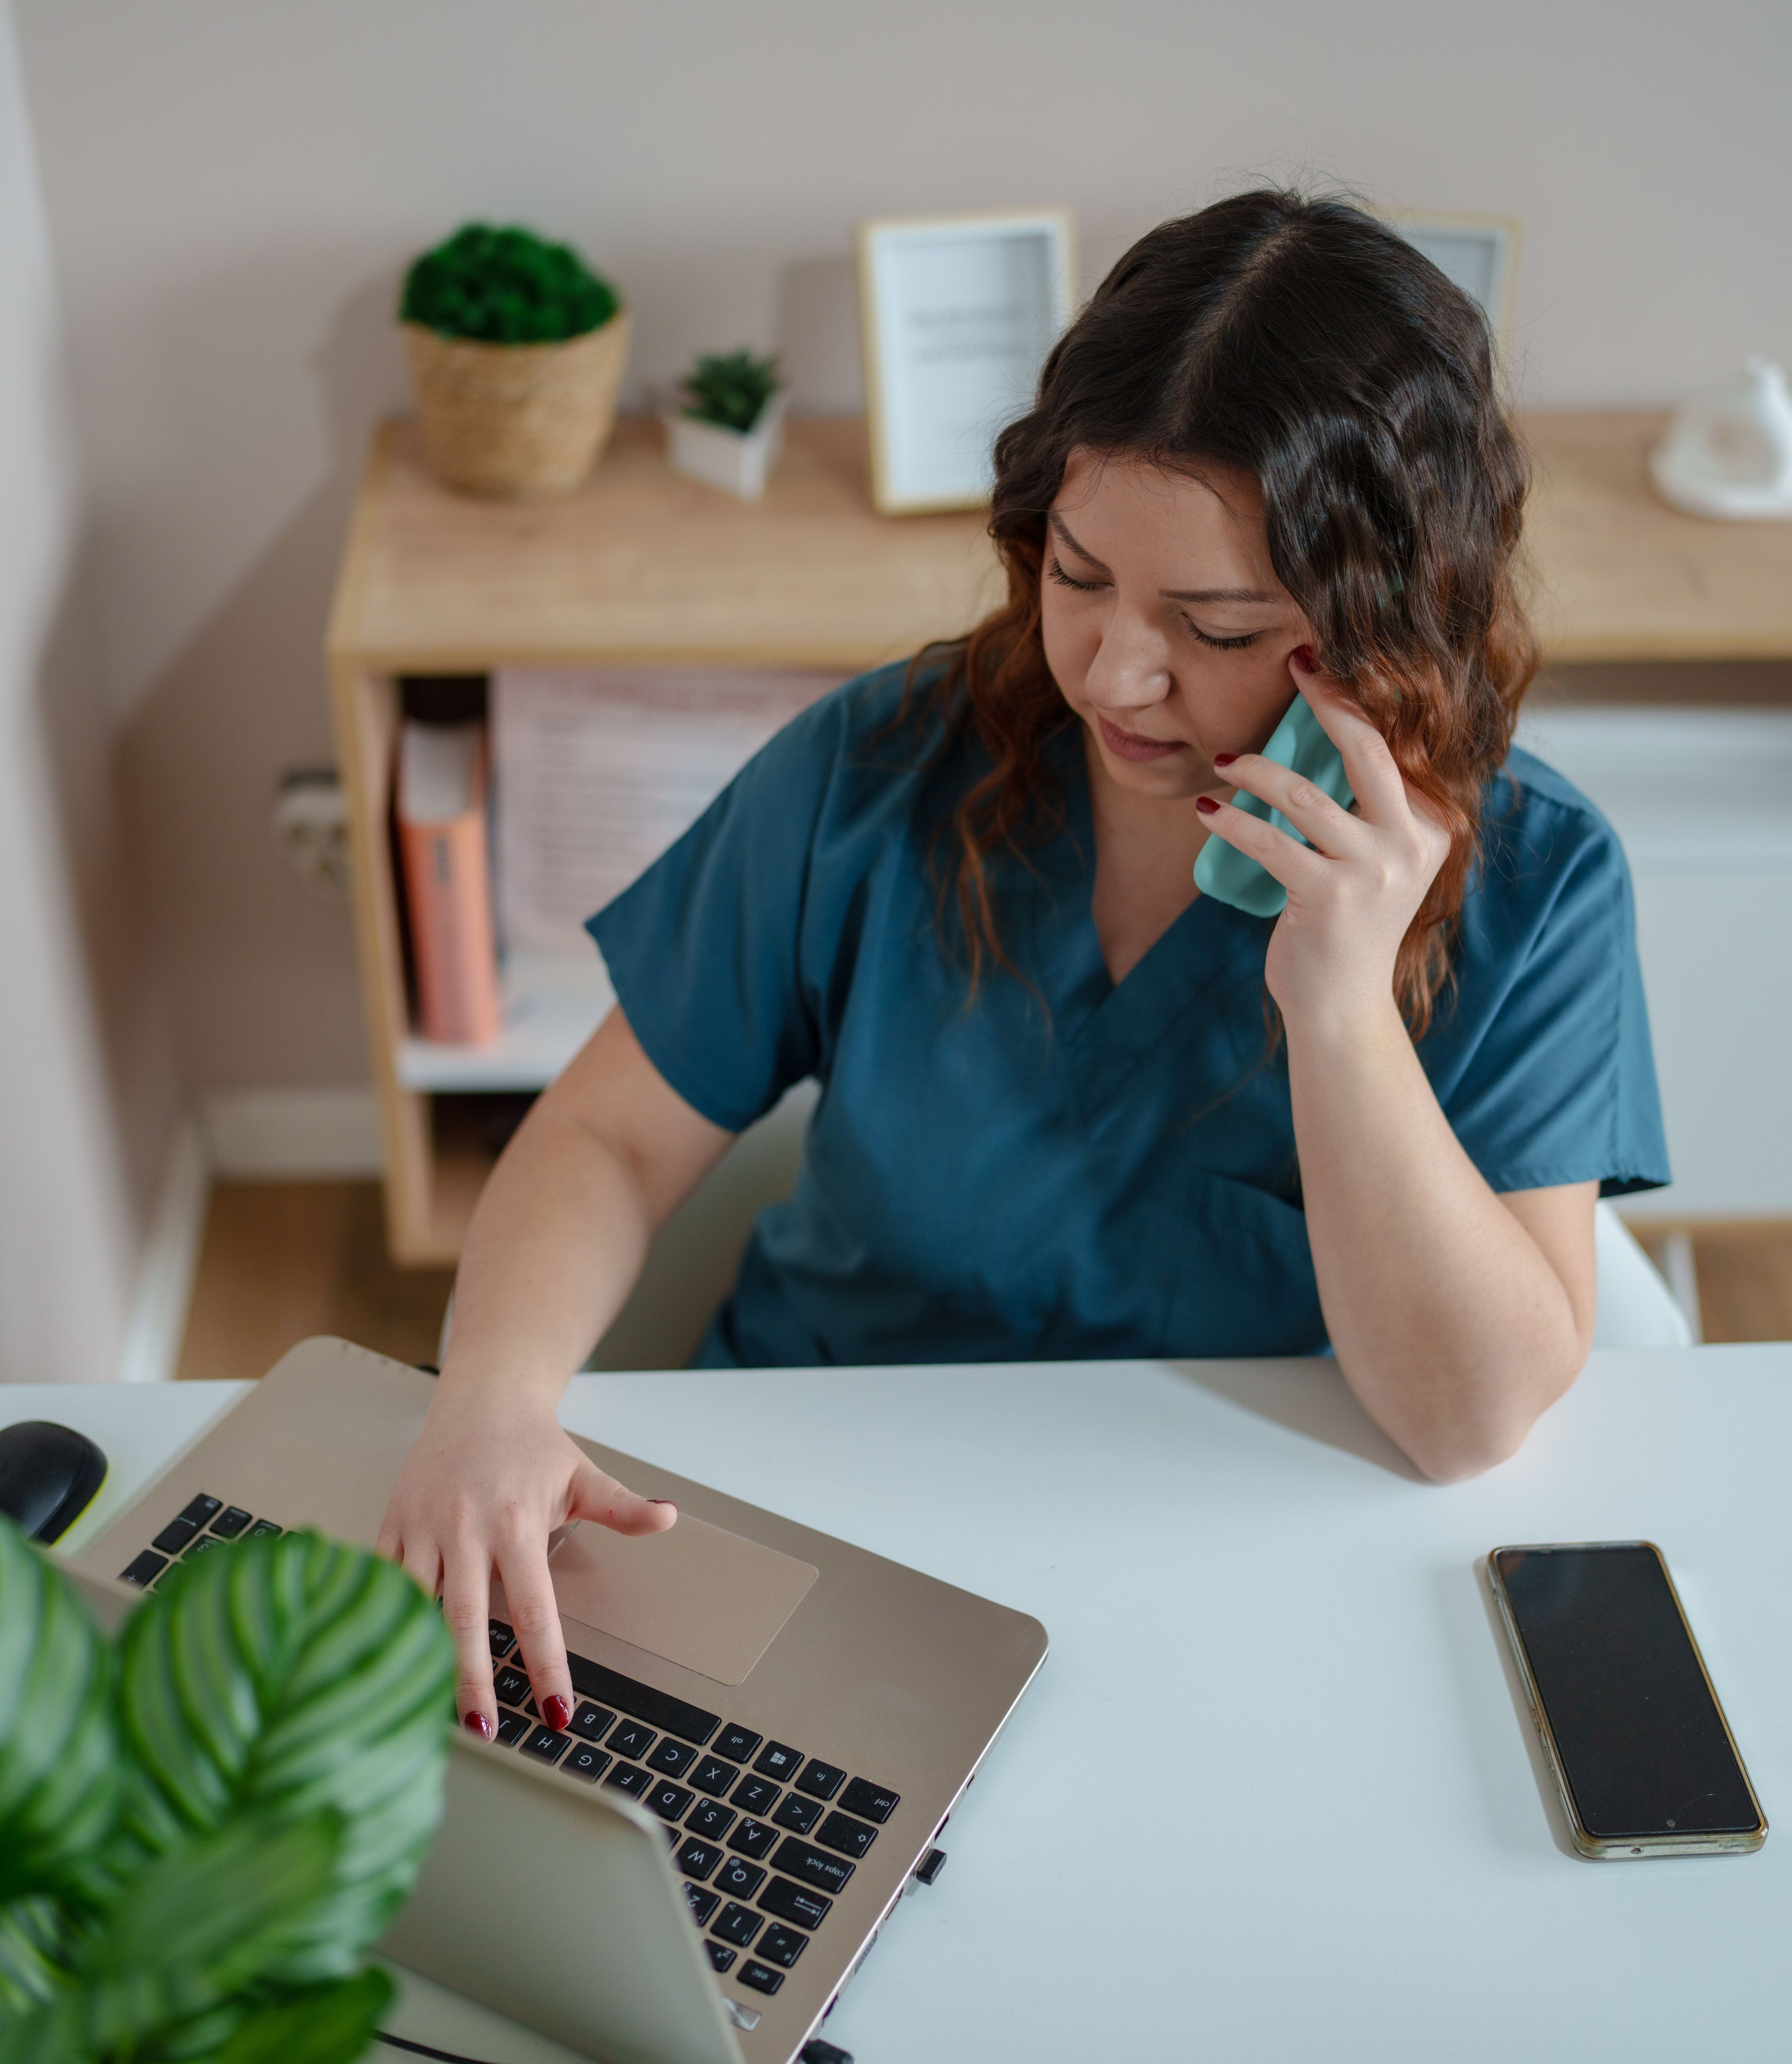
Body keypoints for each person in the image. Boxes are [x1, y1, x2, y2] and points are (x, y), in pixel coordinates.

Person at [378, 189, 1667, 1744]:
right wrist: (492, 1401)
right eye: (1078, 576)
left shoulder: (1539, 880)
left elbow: (1464, 1421)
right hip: (822, 1518)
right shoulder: (884, 761)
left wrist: (1337, 1009)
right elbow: (608, 1134)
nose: (1119, 674)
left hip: (1221, 1561)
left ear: (1388, 628)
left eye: (1216, 625)